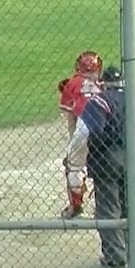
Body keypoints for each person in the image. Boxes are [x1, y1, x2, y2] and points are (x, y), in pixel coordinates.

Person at [61, 65, 135, 268]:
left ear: (103, 83)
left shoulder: (99, 101)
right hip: (133, 160)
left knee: (108, 209)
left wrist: (95, 152)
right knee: (130, 206)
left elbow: (90, 132)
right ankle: (132, 252)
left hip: (106, 162)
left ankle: (115, 256)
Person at [57, 50, 105, 218]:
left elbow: (71, 118)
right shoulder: (105, 83)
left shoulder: (72, 83)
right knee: (105, 164)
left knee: (74, 166)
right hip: (108, 126)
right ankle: (105, 206)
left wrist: (73, 145)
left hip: (85, 125)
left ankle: (75, 207)